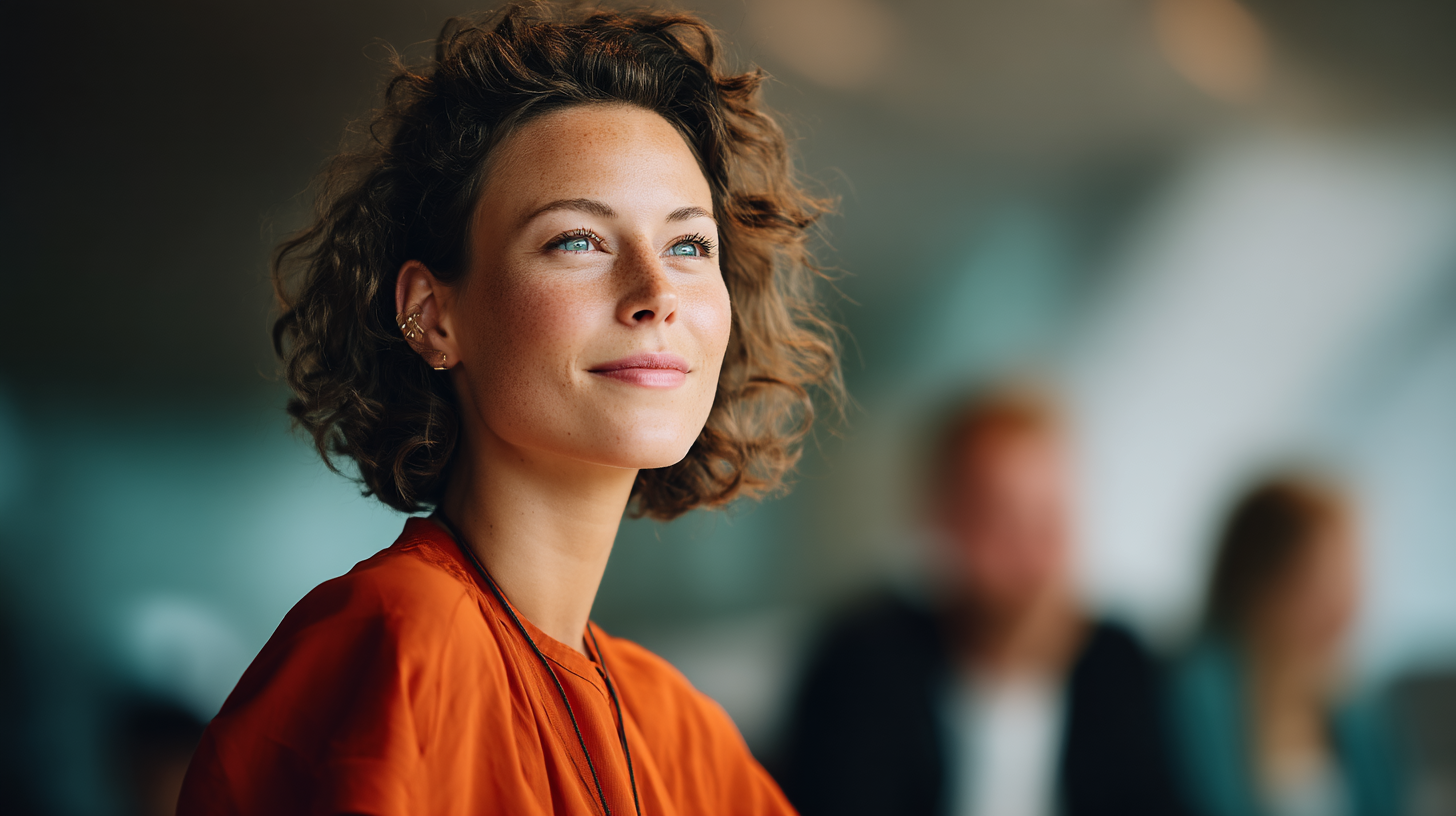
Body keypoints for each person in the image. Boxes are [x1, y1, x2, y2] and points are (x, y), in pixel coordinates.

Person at [177, 5, 840, 814]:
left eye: (688, 246)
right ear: (433, 315)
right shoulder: (395, 640)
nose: (657, 294)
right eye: (577, 240)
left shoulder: (682, 733)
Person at [780, 389, 1189, 816]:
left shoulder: (1119, 665)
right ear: (941, 521)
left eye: (1050, 520)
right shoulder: (860, 667)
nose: (1033, 553)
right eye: (1001, 520)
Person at [1169, 475, 1405, 816]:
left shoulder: (1358, 717)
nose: (1346, 608)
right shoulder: (1192, 697)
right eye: (1323, 581)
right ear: (1260, 583)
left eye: (1350, 579)